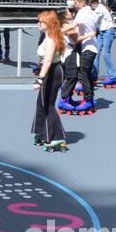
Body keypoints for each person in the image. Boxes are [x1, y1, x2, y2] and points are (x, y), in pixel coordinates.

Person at [32, 10, 68, 152]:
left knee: (48, 104)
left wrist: (39, 79)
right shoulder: (46, 37)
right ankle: (42, 131)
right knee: (41, 103)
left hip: (53, 72)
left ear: (48, 24)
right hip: (48, 70)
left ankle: (57, 136)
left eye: (40, 22)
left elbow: (48, 61)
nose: (38, 24)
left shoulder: (52, 40)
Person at [89, 0, 116, 81]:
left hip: (108, 31)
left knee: (106, 54)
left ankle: (112, 76)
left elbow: (93, 20)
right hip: (101, 31)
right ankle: (94, 75)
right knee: (96, 52)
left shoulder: (99, 9)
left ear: (94, 3)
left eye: (91, 5)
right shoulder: (99, 7)